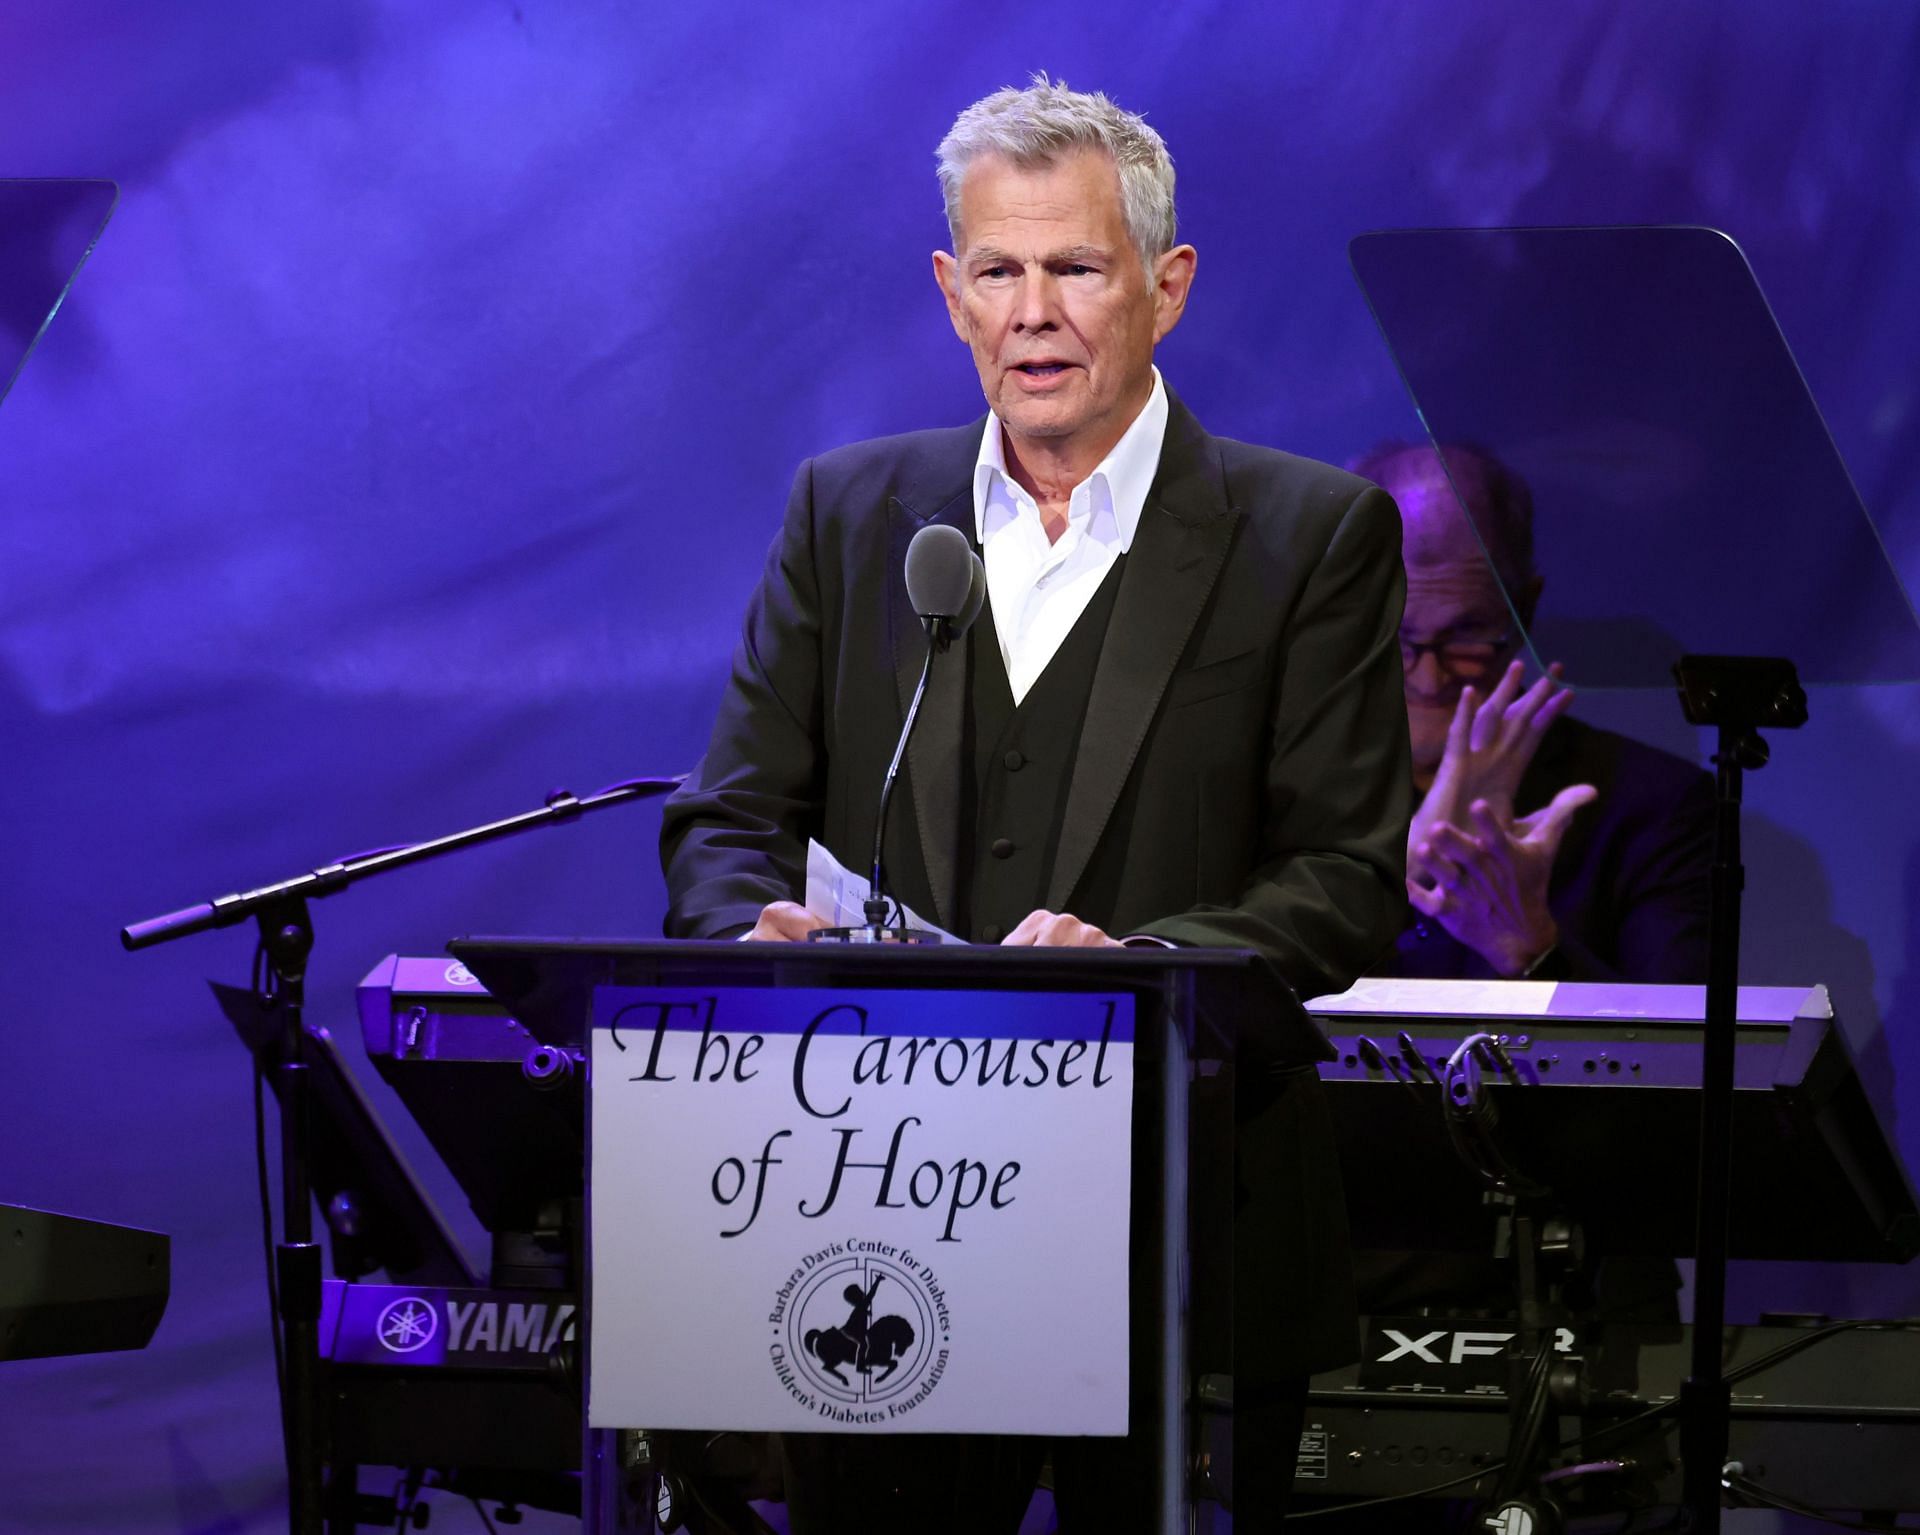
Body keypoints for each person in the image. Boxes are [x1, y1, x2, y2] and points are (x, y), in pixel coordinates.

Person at [662, 76, 1412, 1531]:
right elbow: (726, 817)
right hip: (880, 1225)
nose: (1035, 311)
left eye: (1075, 266)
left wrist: (1146, 971)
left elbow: (1344, 873)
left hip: (1188, 1233)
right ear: (951, 294)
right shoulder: (850, 515)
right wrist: (739, 932)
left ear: (1166, 286)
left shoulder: (1309, 535)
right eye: (998, 270)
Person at [1352, 441, 1714, 986]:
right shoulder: (1274, 786)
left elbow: (1684, 1061)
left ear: (1524, 608)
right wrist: (1400, 878)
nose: (1429, 678)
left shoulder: (1651, 807)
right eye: (1396, 635)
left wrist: (1531, 949)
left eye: (1468, 635)